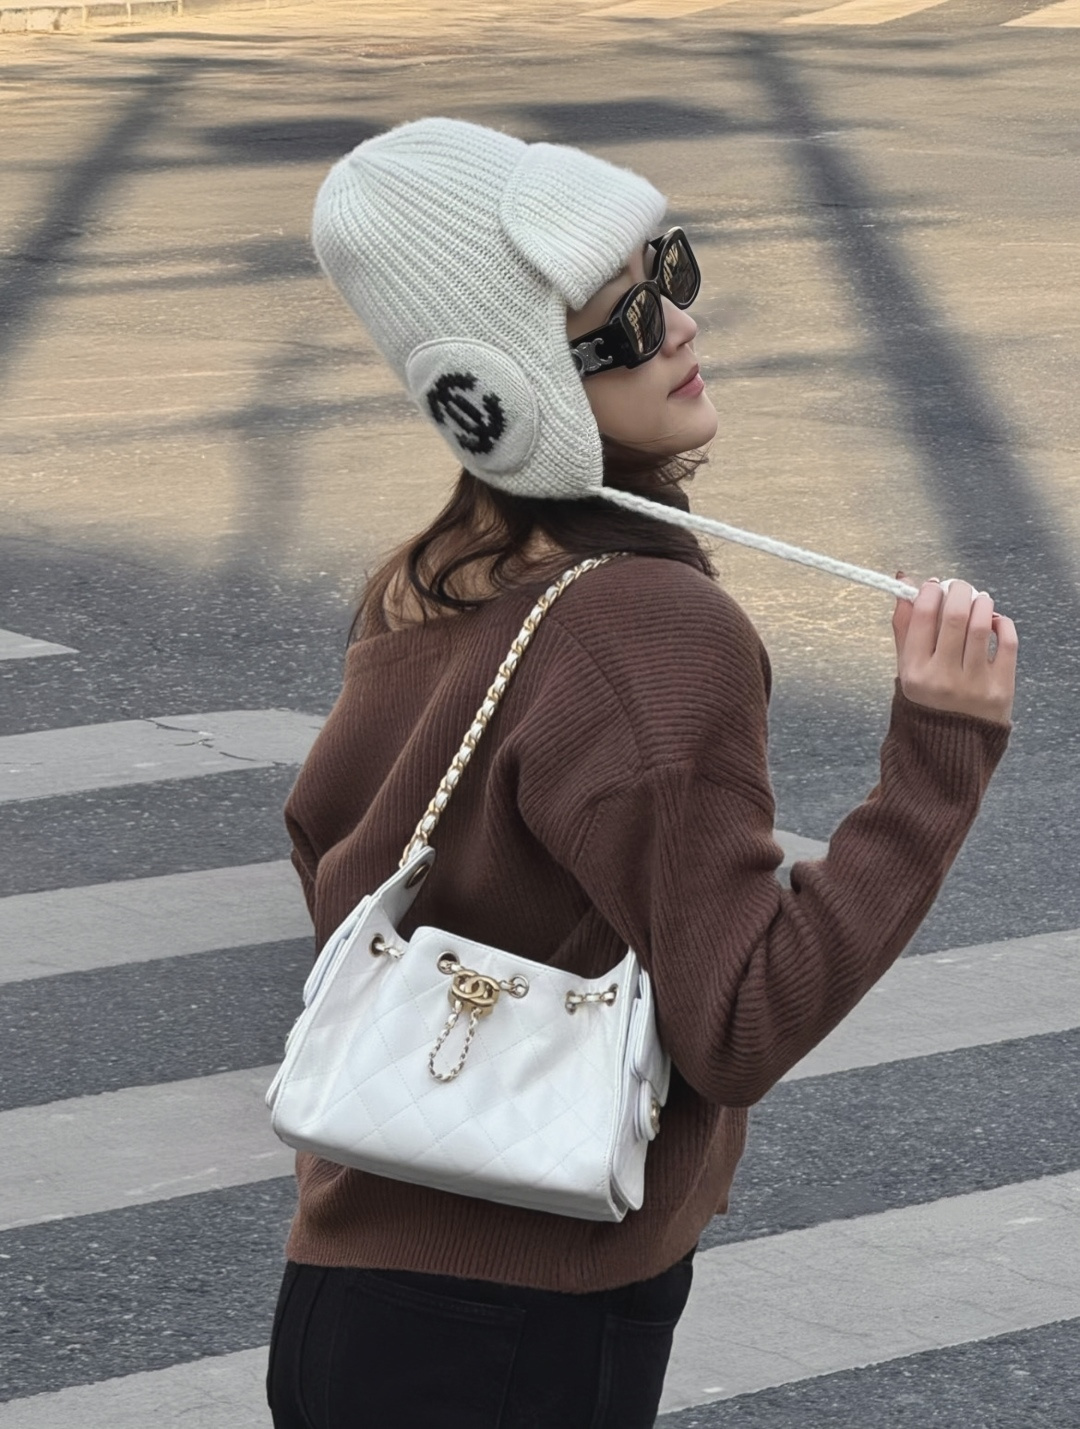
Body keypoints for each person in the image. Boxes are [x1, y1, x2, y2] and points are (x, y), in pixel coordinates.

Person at [265, 117, 1017, 1429]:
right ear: (503, 387)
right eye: (615, 323)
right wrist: (937, 759)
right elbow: (742, 1019)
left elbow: (334, 869)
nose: (675, 324)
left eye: (667, 270)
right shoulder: (648, 627)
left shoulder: (427, 586)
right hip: (518, 1337)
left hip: (347, 1300)